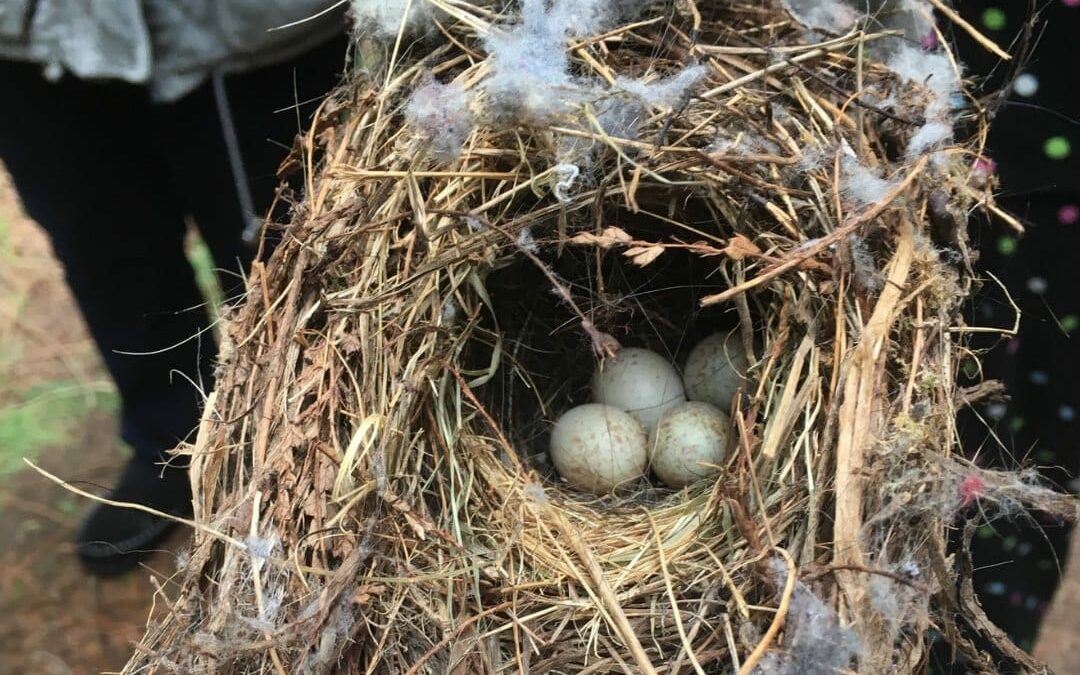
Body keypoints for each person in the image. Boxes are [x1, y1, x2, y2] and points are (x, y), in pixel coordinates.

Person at [0, 2, 349, 576]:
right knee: (106, 250)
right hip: (33, 36)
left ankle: (313, 457)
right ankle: (171, 442)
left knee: (287, 256)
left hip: (243, 29)